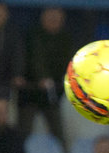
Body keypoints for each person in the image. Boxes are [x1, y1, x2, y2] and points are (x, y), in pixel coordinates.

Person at [18, 6, 73, 144]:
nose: (53, 21)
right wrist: (40, 78)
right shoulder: (32, 36)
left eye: (57, 19)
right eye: (50, 18)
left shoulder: (66, 39)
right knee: (23, 131)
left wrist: (55, 82)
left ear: (62, 20)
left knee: (58, 131)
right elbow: (32, 60)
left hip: (52, 91)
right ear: (43, 18)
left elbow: (68, 64)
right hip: (30, 89)